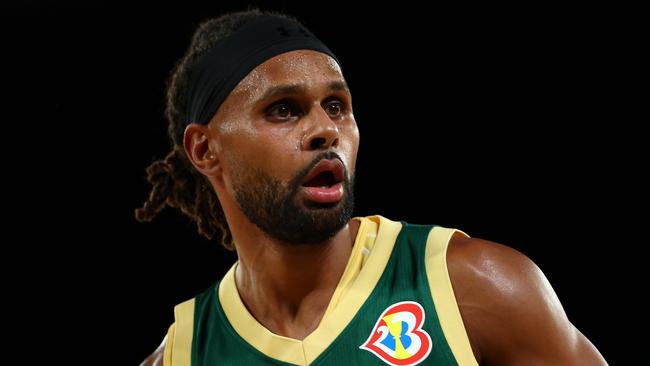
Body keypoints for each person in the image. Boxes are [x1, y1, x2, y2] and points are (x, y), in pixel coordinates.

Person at [137, 9, 607, 366]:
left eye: (337, 106)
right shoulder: (183, 353)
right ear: (204, 150)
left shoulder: (476, 287)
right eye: (283, 109)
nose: (326, 130)